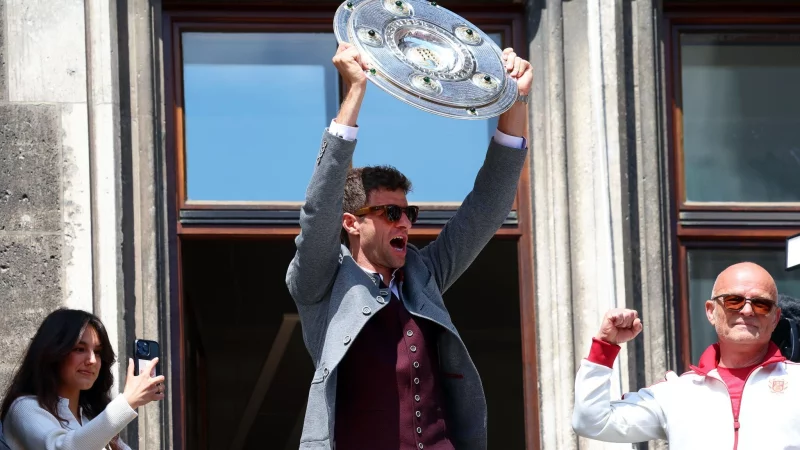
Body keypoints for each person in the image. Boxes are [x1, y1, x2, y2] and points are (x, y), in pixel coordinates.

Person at [285, 42, 532, 450]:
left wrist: (515, 101)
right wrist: (355, 92)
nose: (403, 222)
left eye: (407, 213)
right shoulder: (320, 283)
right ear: (351, 223)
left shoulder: (423, 274)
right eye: (388, 213)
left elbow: (487, 209)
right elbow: (318, 211)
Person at [572, 262, 800, 448]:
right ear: (711, 312)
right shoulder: (676, 392)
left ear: (775, 317)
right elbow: (592, 421)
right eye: (734, 301)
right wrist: (605, 345)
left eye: (761, 304)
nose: (747, 310)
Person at [1, 308, 165, 450]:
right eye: (80, 349)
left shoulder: (91, 416)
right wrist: (128, 402)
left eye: (98, 352)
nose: (92, 360)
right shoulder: (24, 408)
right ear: (53, 353)